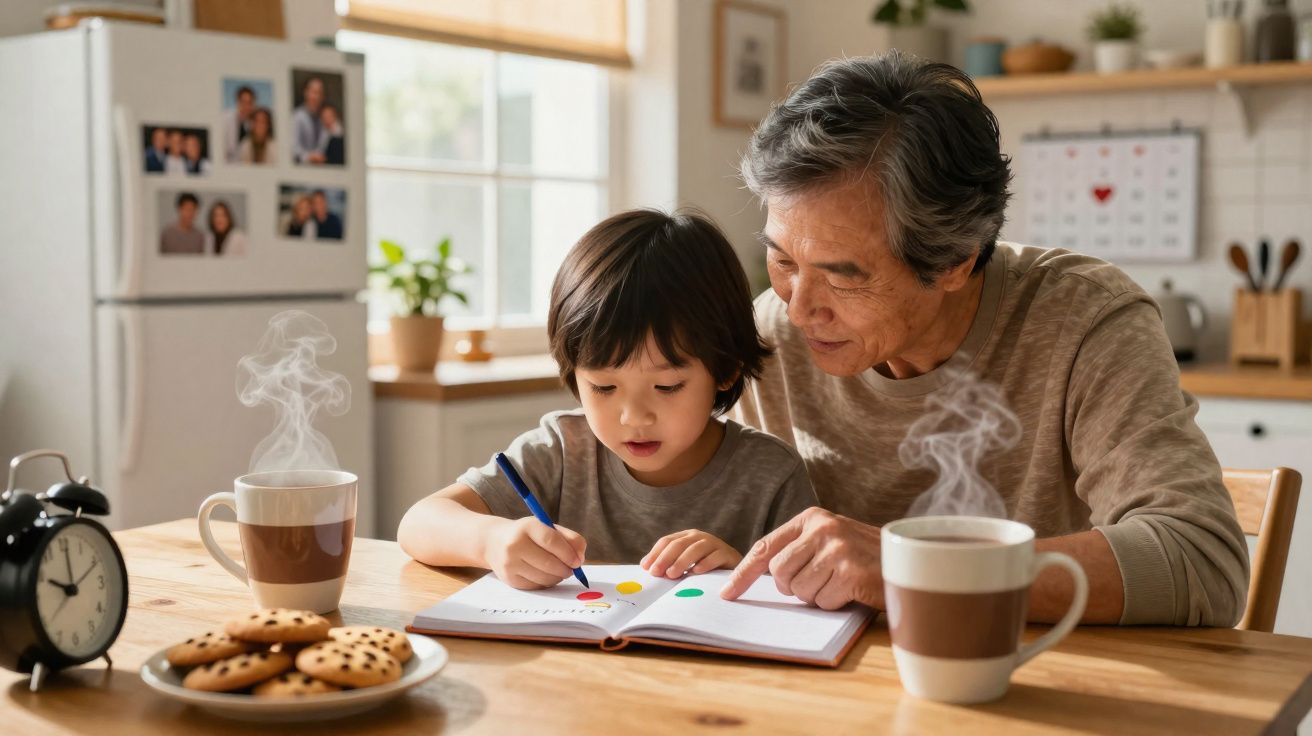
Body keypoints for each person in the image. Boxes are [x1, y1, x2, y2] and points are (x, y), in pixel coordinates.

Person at [719, 52, 1249, 628]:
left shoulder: (1086, 323)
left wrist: (916, 569)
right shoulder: (769, 334)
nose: (799, 307)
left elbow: (1202, 564)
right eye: (780, 259)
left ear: (953, 261)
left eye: (844, 275)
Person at [397, 209, 818, 589]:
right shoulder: (562, 451)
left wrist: (746, 570)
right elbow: (418, 524)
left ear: (725, 369)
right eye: (603, 387)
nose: (634, 417)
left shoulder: (771, 476)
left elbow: (812, 599)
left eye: (667, 387)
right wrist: (492, 541)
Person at [293, 76, 326, 164]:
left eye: (320, 93)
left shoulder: (324, 117)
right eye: (314, 92)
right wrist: (309, 157)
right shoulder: (297, 116)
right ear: (306, 93)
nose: (316, 97)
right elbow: (294, 148)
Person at [223, 85, 257, 163]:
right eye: (243, 102)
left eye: (250, 103)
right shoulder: (225, 119)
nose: (246, 106)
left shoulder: (253, 124)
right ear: (237, 102)